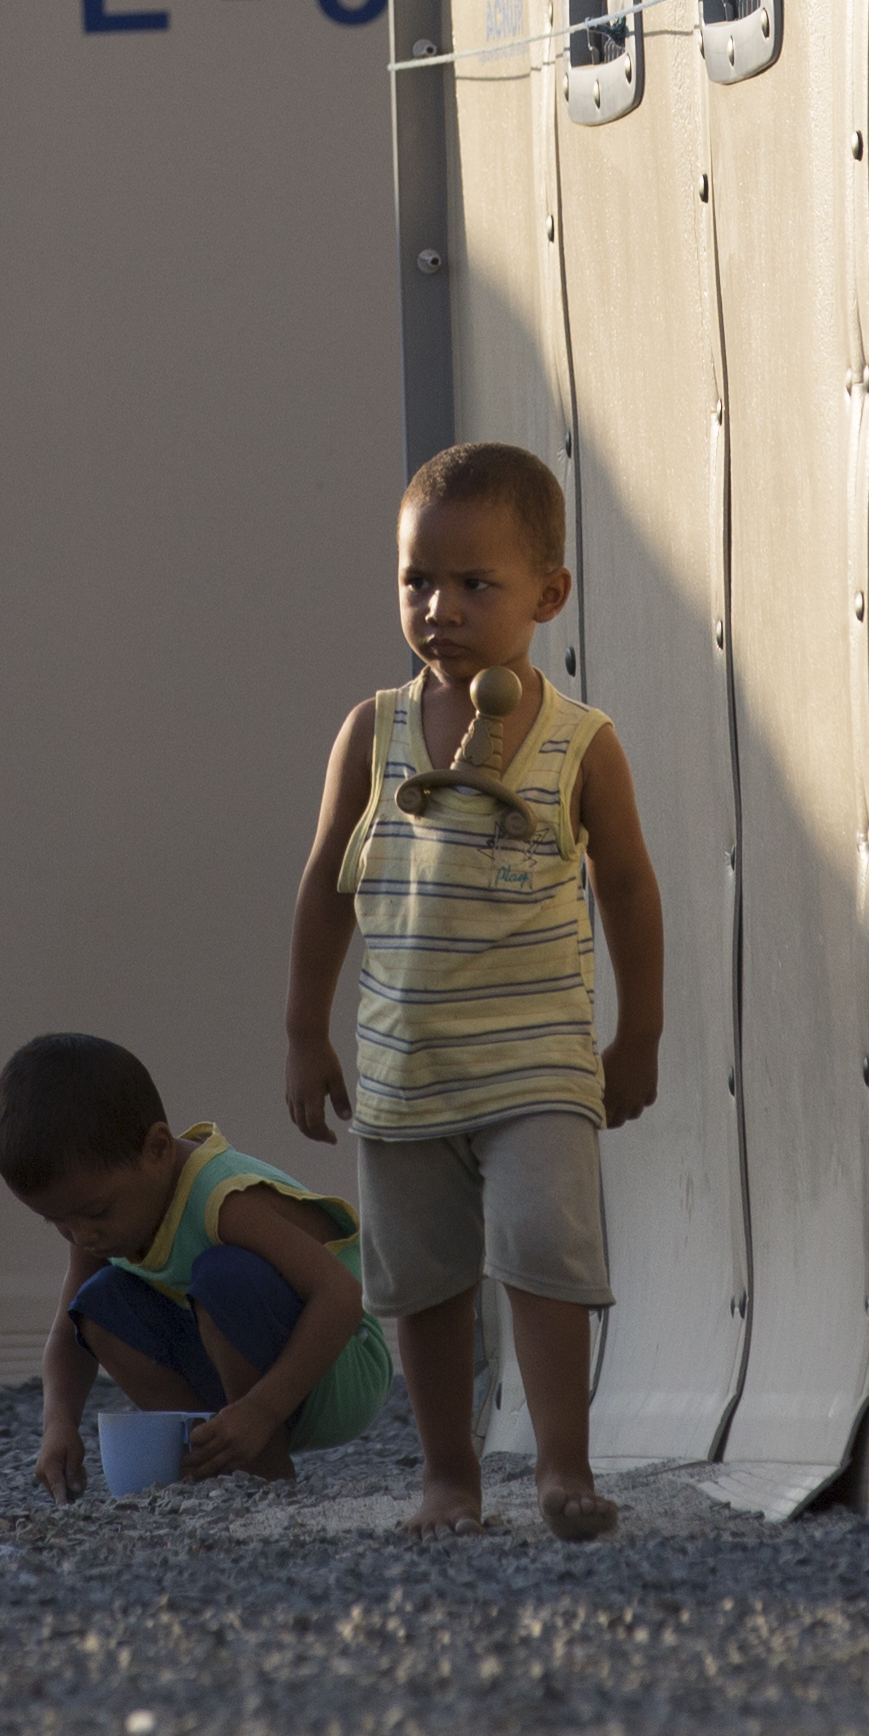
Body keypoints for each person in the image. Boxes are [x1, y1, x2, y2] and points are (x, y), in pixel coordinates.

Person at [285, 441, 663, 1542]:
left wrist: (636, 1032)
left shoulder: (579, 743)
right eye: (416, 579)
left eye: (473, 583)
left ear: (547, 593)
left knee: (544, 1248)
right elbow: (325, 886)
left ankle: (560, 1468)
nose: (438, 606)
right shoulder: (373, 731)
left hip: (538, 1058)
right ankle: (447, 1476)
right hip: (406, 1066)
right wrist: (303, 1029)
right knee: (424, 1278)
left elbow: (630, 888)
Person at [1, 1032, 397, 1500]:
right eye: (57, 1222)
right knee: (96, 1304)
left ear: (159, 1149)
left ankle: (263, 1468)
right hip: (246, 1365)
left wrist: (262, 1411)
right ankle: (210, 1457)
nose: (82, 1235)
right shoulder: (95, 1222)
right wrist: (59, 1425)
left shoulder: (221, 1198)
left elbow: (343, 1296)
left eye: (95, 1213)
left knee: (223, 1277)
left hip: (339, 1362)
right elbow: (67, 1335)